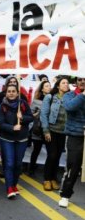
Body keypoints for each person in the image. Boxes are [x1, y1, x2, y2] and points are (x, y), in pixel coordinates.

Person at [0, 84, 33, 199]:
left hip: (21, 139)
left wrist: (22, 117)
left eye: (13, 91)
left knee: (18, 164)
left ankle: (14, 185)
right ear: (6, 93)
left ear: (17, 93)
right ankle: (9, 188)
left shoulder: (23, 104)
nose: (11, 93)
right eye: (9, 91)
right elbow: (1, 123)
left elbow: (31, 117)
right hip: (7, 139)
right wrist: (12, 128)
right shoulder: (1, 106)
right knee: (9, 163)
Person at [58, 76, 85, 208]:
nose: (83, 82)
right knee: (72, 167)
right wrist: (83, 95)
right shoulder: (69, 95)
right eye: (80, 79)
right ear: (76, 82)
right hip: (75, 136)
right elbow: (69, 107)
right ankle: (65, 195)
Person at [39, 77, 69, 191]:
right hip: (51, 131)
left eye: (67, 83)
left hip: (63, 132)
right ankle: (47, 179)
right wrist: (46, 131)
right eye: (63, 83)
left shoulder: (70, 98)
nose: (66, 84)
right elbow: (44, 115)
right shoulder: (49, 97)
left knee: (57, 156)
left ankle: (53, 179)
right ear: (58, 85)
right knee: (52, 155)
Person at [28, 80, 51, 176]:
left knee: (51, 152)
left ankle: (48, 171)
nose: (49, 87)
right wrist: (36, 114)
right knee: (36, 150)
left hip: (49, 130)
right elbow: (30, 115)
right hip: (38, 130)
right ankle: (31, 169)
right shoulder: (36, 101)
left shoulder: (52, 100)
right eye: (46, 86)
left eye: (50, 86)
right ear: (42, 89)